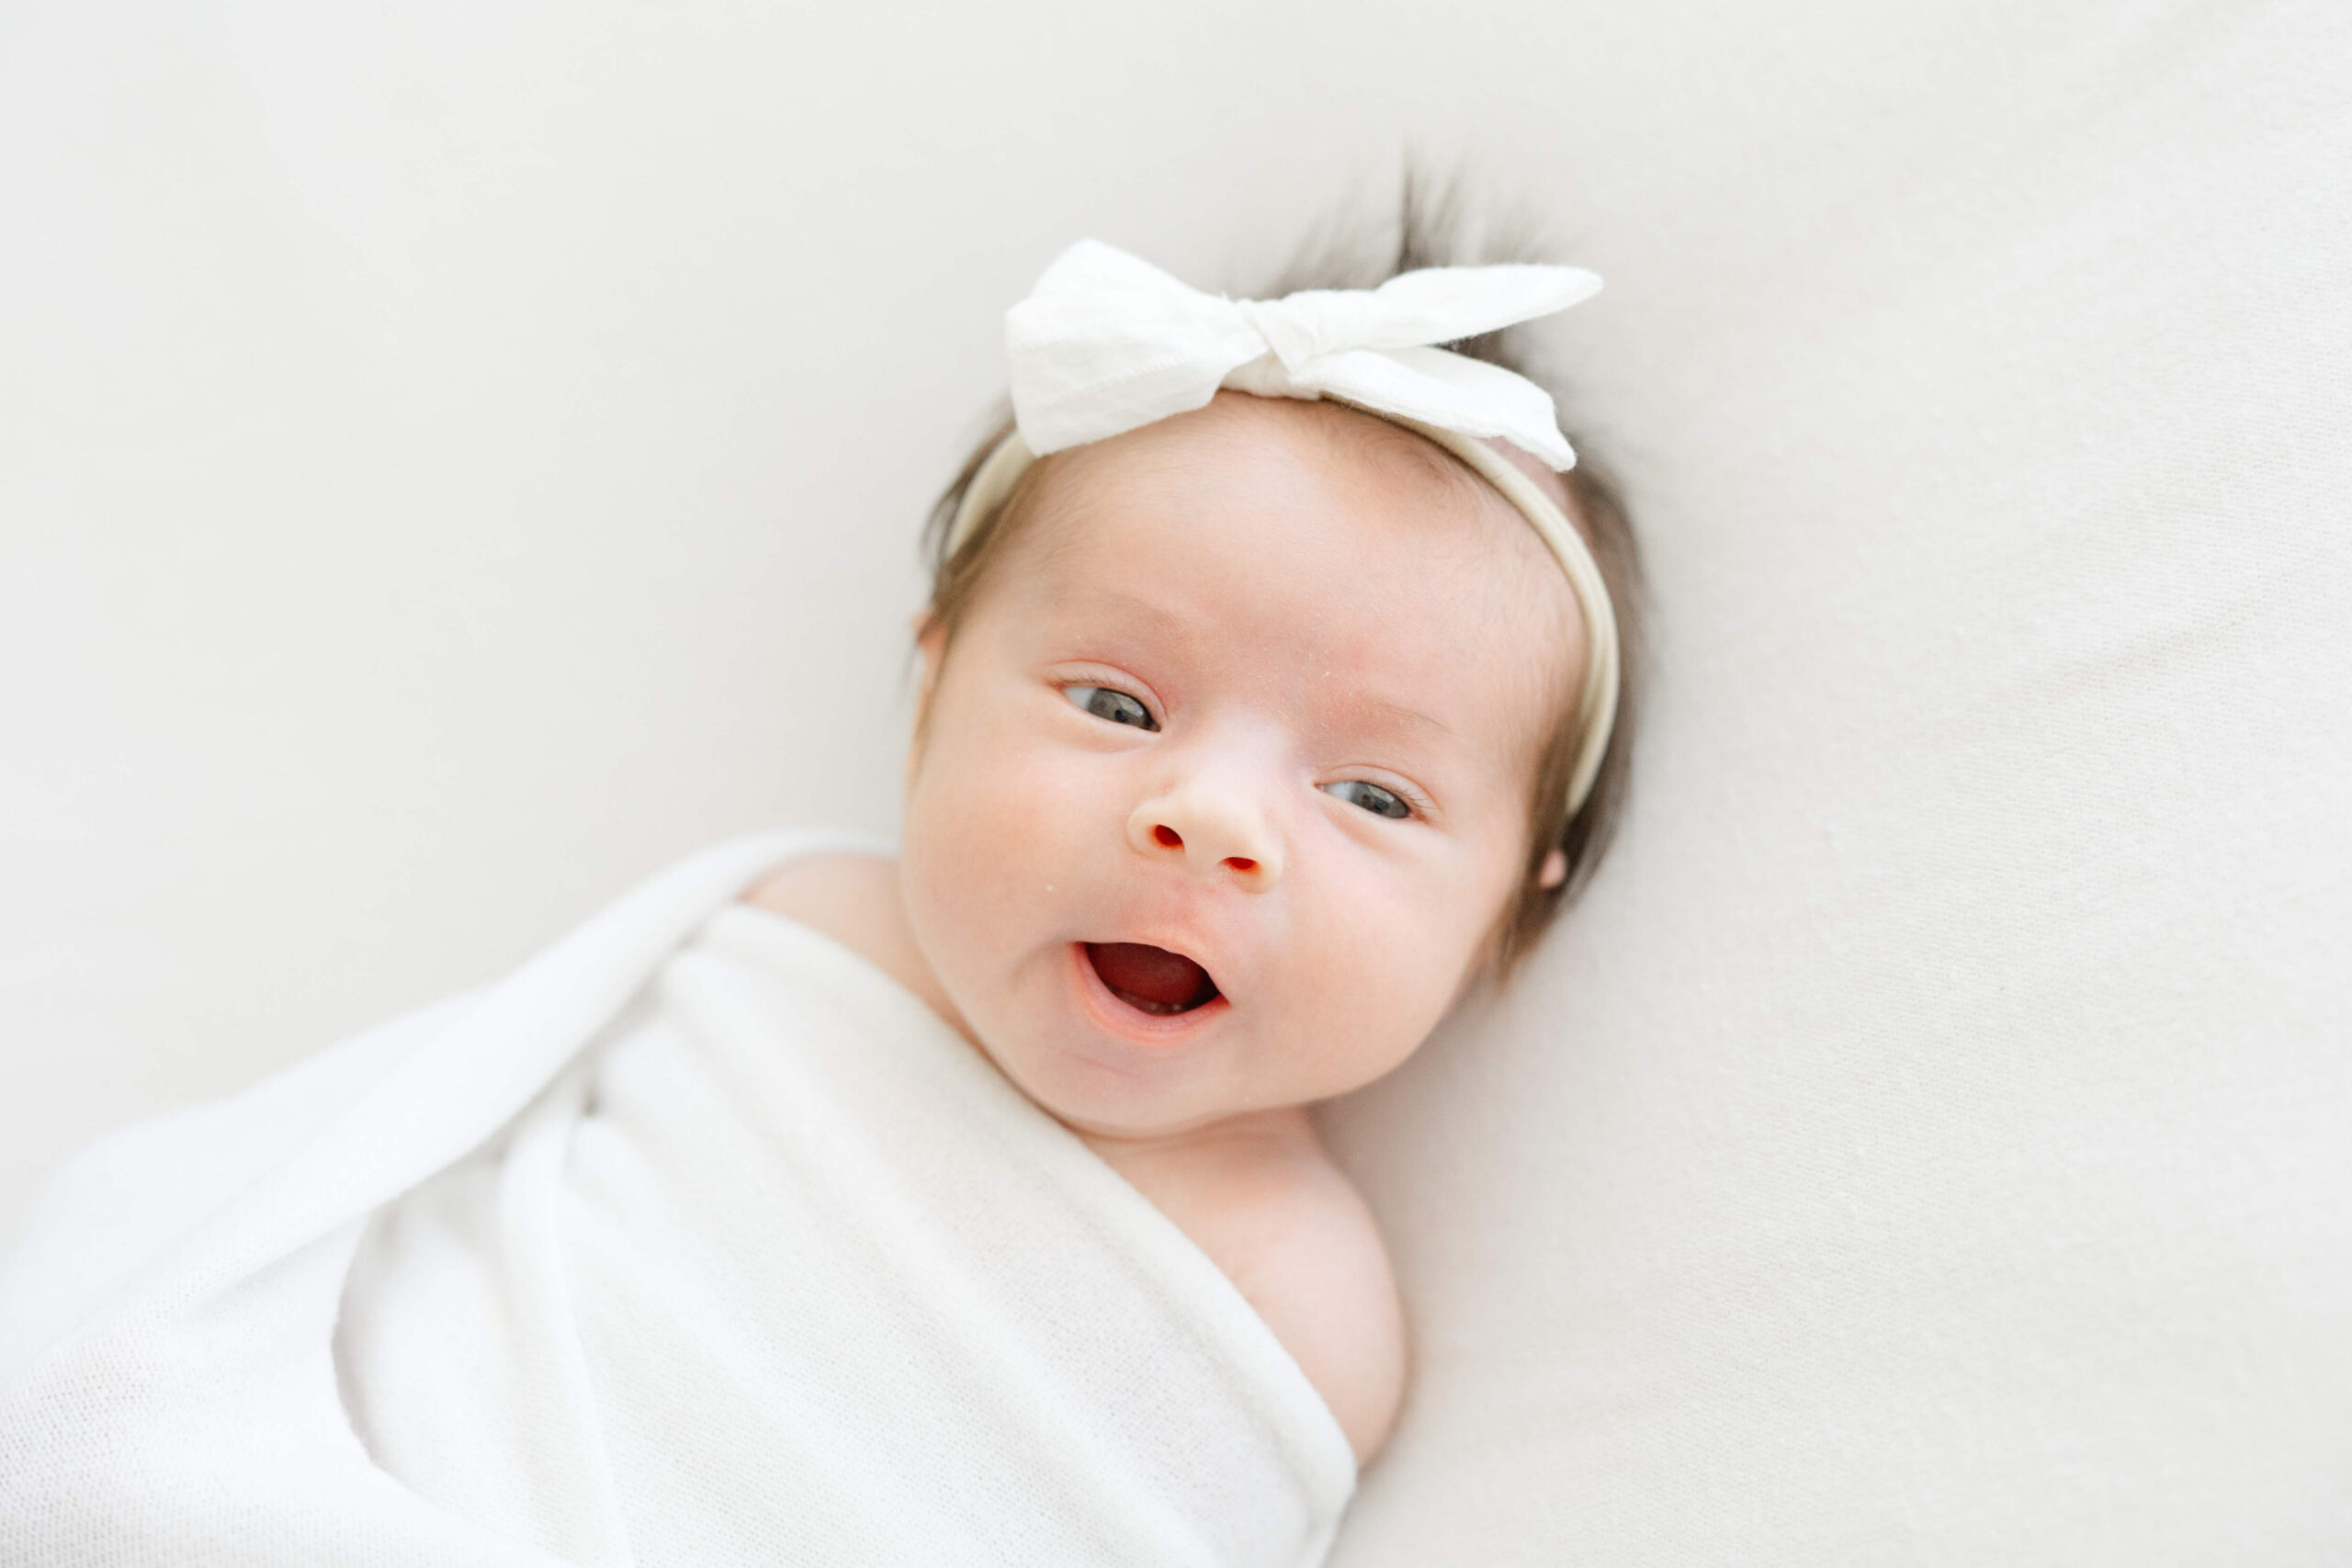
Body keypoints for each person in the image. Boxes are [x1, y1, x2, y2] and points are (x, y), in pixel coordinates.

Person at [0, 208, 1643, 1567]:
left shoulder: (1314, 1313)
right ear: (931, 695)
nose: (1206, 819)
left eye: (1370, 793)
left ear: (1515, 906)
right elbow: (421, 1181)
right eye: (1116, 705)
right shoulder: (802, 932)